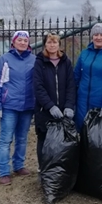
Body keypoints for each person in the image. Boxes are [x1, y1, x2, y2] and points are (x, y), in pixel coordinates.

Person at [0, 30, 36, 186]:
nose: (23, 43)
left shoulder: (34, 60)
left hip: (28, 106)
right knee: (6, 139)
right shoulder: (5, 59)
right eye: (20, 40)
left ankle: (19, 166)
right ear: (14, 42)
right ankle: (4, 171)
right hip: (9, 105)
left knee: (22, 138)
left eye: (25, 40)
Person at [33, 31, 76, 170]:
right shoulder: (39, 62)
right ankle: (43, 169)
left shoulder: (66, 62)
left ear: (59, 44)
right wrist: (50, 106)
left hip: (63, 110)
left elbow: (71, 85)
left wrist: (69, 105)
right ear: (45, 44)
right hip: (44, 111)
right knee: (44, 140)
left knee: (61, 142)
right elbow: (38, 87)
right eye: (49, 42)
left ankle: (59, 171)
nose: (52, 45)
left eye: (55, 42)